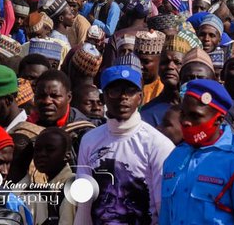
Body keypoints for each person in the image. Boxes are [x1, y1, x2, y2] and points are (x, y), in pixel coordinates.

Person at [75, 63, 175, 225]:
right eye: (115, 91)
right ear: (103, 98)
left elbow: (164, 208)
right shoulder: (89, 140)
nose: (123, 97)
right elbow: (84, 206)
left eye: (130, 91)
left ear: (140, 97)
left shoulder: (157, 144)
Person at [159, 79, 234, 225]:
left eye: (195, 116)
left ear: (218, 120)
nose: (186, 121)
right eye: (183, 114)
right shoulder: (175, 157)